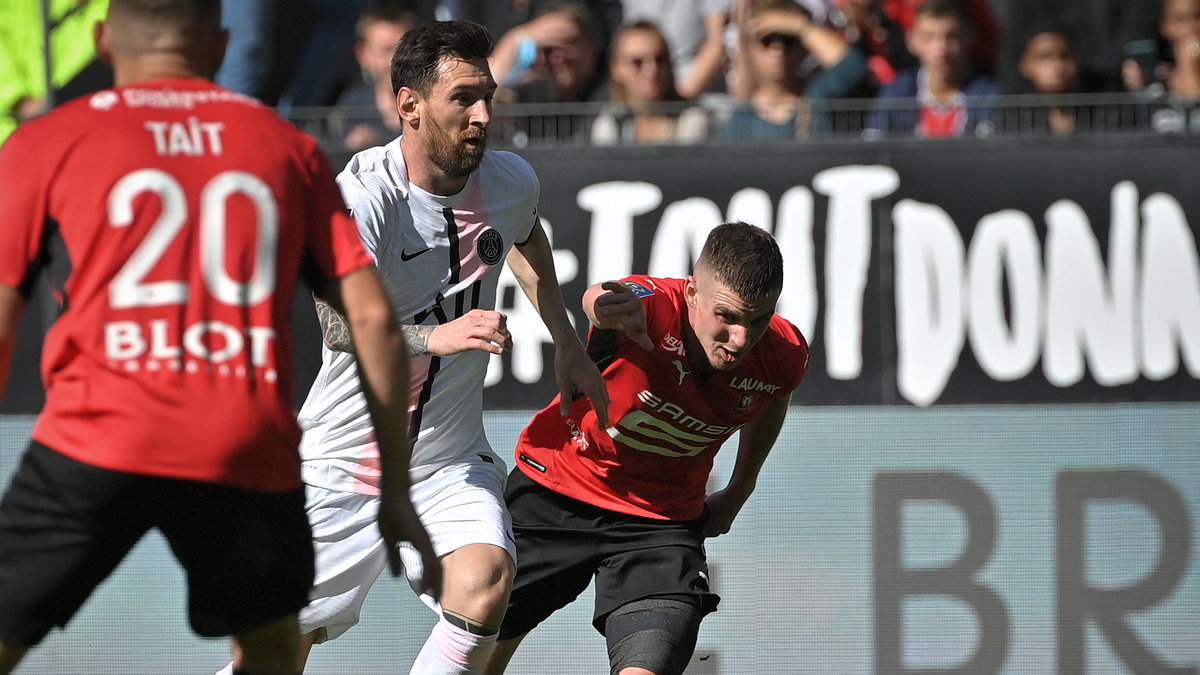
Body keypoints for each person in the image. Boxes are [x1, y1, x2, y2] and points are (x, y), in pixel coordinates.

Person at [0, 1, 438, 674]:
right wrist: (396, 493)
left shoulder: (40, 143)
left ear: (101, 40)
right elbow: (374, 321)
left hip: (92, 438)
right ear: (221, 43)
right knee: (269, 648)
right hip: (239, 445)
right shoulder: (285, 147)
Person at [283, 19, 609, 675]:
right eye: (463, 98)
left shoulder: (508, 180)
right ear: (409, 105)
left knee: (488, 575)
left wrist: (567, 339)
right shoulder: (364, 198)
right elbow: (338, 328)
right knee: (278, 651)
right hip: (343, 459)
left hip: (446, 460)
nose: (483, 114)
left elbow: (527, 237)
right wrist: (436, 336)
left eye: (486, 94)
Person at [483, 222, 812, 675]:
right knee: (477, 658)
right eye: (729, 317)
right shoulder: (654, 308)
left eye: (757, 320)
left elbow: (773, 392)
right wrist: (604, 307)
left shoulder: (783, 352)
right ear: (693, 292)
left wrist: (739, 489)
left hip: (660, 526)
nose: (741, 338)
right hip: (556, 491)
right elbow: (602, 297)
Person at [722, 0, 874, 140]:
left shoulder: (818, 95)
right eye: (766, 40)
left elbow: (852, 66)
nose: (778, 49)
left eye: (789, 40)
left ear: (804, 47)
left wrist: (801, 27)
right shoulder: (739, 122)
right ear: (749, 47)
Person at [866, 0, 1002, 138]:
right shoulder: (896, 93)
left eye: (951, 36)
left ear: (969, 35)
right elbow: (873, 148)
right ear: (911, 40)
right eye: (928, 37)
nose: (941, 48)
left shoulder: (991, 95)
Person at [591, 21, 710, 146]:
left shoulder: (692, 119)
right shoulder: (609, 124)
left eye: (660, 60)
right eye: (637, 62)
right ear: (616, 69)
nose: (652, 69)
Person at [335, 5, 419, 151]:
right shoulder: (354, 103)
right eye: (385, 50)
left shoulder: (431, 102)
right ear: (363, 55)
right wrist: (353, 147)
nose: (395, 60)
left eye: (403, 50)